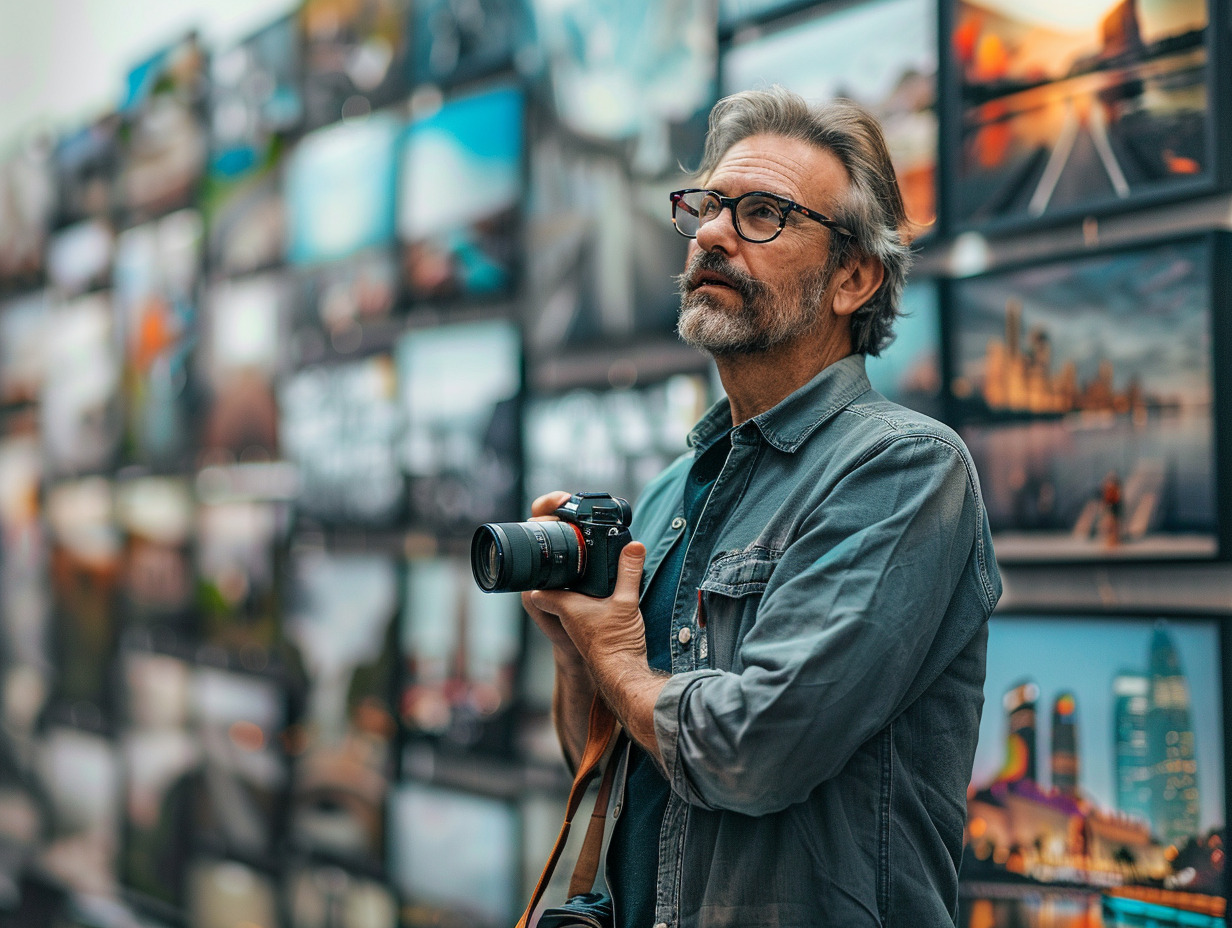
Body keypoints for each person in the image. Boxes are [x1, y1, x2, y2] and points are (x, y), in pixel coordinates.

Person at [524, 87, 1002, 928]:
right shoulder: (676, 490)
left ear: (853, 277)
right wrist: (576, 651)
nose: (710, 233)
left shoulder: (905, 467)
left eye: (760, 214)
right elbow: (610, 769)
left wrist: (619, 657)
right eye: (706, 207)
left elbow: (754, 753)